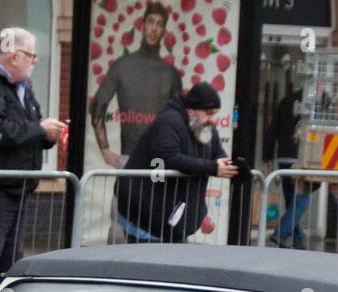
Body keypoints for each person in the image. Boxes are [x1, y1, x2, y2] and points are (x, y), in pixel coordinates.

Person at [0, 27, 65, 292]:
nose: (35, 62)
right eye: (32, 56)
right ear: (14, 56)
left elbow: (26, 129)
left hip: (19, 188)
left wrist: (46, 137)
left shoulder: (24, 85)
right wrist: (38, 130)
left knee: (8, 268)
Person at [116, 81, 237, 242]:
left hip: (172, 220)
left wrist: (228, 165)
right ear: (191, 109)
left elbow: (217, 153)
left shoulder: (205, 127)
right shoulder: (169, 121)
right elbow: (169, 158)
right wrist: (213, 168)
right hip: (146, 215)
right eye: (208, 113)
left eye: (214, 114)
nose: (211, 119)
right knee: (148, 264)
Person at [89, 2, 181, 168]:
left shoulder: (170, 73)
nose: (154, 28)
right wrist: (105, 151)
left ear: (164, 31)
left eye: (159, 24)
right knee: (127, 194)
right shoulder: (122, 66)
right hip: (130, 160)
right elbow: (98, 107)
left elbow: (180, 120)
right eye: (151, 22)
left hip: (159, 161)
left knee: (155, 194)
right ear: (143, 25)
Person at [264, 87, 311, 249]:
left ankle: (298, 237)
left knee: (292, 199)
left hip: (284, 158)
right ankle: (281, 233)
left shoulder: (286, 101)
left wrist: (267, 155)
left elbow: (272, 129)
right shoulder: (315, 104)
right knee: (302, 200)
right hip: (303, 159)